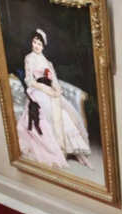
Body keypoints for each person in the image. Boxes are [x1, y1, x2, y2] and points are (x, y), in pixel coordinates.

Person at [16, 29, 93, 169]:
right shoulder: (29, 58)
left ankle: (76, 151)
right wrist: (44, 89)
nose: (36, 45)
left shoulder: (47, 61)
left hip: (49, 90)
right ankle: (59, 149)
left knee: (65, 112)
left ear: (43, 46)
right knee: (48, 110)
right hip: (37, 90)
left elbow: (54, 79)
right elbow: (29, 80)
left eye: (39, 43)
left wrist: (56, 90)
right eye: (34, 42)